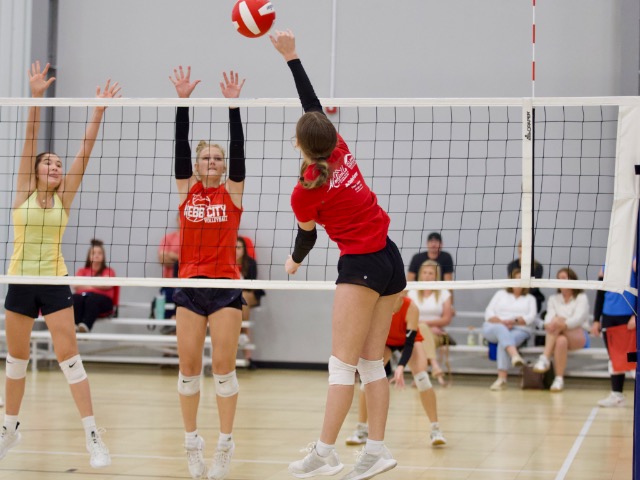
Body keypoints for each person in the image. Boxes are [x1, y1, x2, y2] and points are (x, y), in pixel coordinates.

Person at [271, 30, 406, 480]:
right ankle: (377, 451)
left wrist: (293, 262)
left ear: (299, 146)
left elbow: (306, 238)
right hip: (390, 259)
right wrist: (292, 56)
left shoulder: (305, 191)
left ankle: (325, 453)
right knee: (371, 363)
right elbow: (312, 106)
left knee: (342, 366)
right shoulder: (340, 149)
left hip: (361, 266)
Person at [2, 62, 118, 467]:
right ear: (36, 170)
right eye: (48, 163)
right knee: (16, 362)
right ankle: (9, 429)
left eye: (57, 164)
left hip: (54, 280)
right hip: (19, 280)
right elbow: (31, 136)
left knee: (69, 358)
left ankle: (92, 436)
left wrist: (97, 112)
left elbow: (84, 152)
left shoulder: (63, 197)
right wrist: (36, 97)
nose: (55, 166)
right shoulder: (23, 190)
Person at [169, 65, 246, 480]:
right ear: (197, 165)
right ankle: (191, 443)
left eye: (218, 157)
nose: (212, 161)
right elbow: (179, 148)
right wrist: (183, 103)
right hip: (189, 287)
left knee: (223, 369)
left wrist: (233, 107)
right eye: (206, 157)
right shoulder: (188, 190)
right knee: (188, 370)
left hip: (225, 286)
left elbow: (240, 153)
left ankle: (225, 445)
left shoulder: (232, 192)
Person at [346, 295, 446, 448]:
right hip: (385, 341)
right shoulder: (377, 303)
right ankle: (361, 429)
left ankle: (435, 429)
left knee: (422, 379)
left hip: (408, 342)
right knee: (367, 378)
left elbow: (409, 343)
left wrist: (400, 366)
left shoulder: (411, 308)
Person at [532, 268, 590, 392]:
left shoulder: (581, 297)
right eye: (558, 278)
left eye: (564, 278)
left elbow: (578, 319)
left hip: (578, 336)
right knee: (560, 341)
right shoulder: (554, 299)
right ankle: (559, 379)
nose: (560, 281)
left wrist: (561, 322)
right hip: (558, 334)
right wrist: (550, 323)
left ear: (572, 279)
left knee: (556, 321)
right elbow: (549, 317)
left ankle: (545, 357)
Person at [591, 260, 637, 407]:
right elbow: (600, 293)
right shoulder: (607, 264)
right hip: (608, 317)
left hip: (628, 316)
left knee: (632, 359)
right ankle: (617, 396)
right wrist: (596, 319)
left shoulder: (634, 262)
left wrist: (636, 315)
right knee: (614, 358)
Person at [482, 268, 536, 390]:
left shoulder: (530, 299)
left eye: (521, 279)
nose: (518, 282)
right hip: (494, 327)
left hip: (519, 329)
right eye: (516, 279)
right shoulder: (500, 294)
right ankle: (515, 355)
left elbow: (530, 317)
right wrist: (502, 322)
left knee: (504, 341)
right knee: (501, 330)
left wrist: (513, 321)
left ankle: (502, 379)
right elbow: (488, 313)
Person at [407, 260, 453, 386]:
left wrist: (425, 325)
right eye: (425, 272)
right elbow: (407, 316)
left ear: (436, 275)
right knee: (421, 334)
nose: (427, 276)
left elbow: (447, 318)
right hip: (416, 331)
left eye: (431, 273)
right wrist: (427, 326)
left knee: (420, 338)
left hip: (437, 334)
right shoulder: (412, 292)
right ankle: (434, 365)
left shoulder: (443, 293)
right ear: (420, 274)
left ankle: (419, 376)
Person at [73, 239, 118, 332]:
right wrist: (96, 284)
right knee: (75, 298)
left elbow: (106, 284)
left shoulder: (108, 271)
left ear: (103, 256)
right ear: (89, 256)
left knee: (92, 299)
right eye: (93, 253)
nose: (96, 255)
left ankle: (85, 326)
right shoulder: (82, 270)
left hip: (103, 302)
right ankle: (75, 325)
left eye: (99, 253)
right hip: (84, 299)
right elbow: (75, 284)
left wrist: (86, 284)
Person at [236, 236, 265, 369]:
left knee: (244, 298)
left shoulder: (250, 263)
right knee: (241, 301)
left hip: (250, 294)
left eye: (239, 248)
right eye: (234, 248)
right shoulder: (226, 264)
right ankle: (242, 332)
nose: (236, 250)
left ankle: (242, 329)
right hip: (233, 297)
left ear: (244, 249)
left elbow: (251, 286)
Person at [507, 240, 545, 313]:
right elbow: (512, 284)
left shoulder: (538, 267)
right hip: (515, 295)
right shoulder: (512, 265)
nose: (523, 253)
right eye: (521, 251)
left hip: (532, 295)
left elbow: (534, 287)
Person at [158, 213, 181, 279]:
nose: (183, 220)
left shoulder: (195, 239)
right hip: (169, 281)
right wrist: (183, 262)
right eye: (181, 217)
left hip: (188, 281)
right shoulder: (168, 238)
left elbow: (195, 262)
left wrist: (175, 257)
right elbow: (162, 260)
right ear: (177, 219)